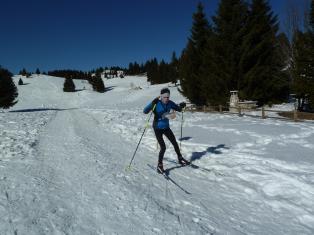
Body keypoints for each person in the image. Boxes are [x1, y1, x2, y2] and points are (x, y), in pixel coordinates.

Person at [143, 87, 190, 173]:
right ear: (161, 96)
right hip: (157, 128)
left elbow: (178, 108)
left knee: (175, 143)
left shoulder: (170, 103)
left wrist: (182, 106)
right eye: (165, 97)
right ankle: (160, 165)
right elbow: (145, 111)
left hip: (166, 127)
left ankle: (180, 158)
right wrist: (152, 103)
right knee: (163, 147)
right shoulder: (156, 103)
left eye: (168, 97)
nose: (167, 99)